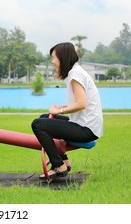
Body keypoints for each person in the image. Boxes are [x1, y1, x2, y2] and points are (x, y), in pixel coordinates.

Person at [31, 42, 103, 180]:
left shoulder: (75, 74)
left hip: (86, 129)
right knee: (44, 118)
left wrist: (60, 111)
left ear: (62, 58)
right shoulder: (75, 72)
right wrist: (61, 107)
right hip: (84, 125)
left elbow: (82, 104)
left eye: (54, 58)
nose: (52, 62)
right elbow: (80, 101)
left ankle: (58, 166)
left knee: (38, 124)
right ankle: (64, 162)